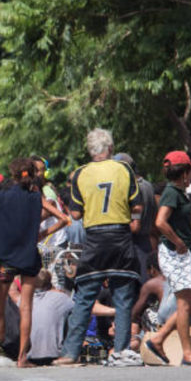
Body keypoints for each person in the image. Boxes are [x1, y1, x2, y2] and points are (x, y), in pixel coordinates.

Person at [55, 129, 144, 367]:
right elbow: (137, 207)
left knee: (84, 296)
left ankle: (70, 353)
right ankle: (122, 350)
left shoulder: (80, 174)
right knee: (123, 296)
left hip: (94, 239)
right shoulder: (124, 169)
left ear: (90, 150)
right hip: (120, 237)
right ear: (111, 149)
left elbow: (74, 213)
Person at [0, 158, 68, 368]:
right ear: (32, 175)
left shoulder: (0, 198)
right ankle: (22, 358)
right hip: (29, 258)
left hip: (6, 259)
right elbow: (64, 219)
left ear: (13, 175)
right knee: (26, 307)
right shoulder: (36, 198)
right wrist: (40, 234)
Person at [145, 151, 191, 366]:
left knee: (190, 304)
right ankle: (188, 354)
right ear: (185, 173)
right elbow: (161, 222)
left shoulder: (180, 194)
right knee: (184, 304)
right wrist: (179, 242)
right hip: (175, 254)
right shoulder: (172, 192)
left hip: (181, 254)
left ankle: (158, 339)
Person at [28, 270, 74, 365]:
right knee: (71, 316)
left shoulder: (22, 300)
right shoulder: (62, 298)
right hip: (53, 355)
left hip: (28, 354)